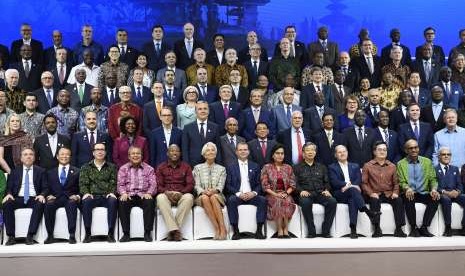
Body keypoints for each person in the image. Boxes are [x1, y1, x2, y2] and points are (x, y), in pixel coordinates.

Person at [328, 145, 380, 239]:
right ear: (336, 155)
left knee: (352, 200)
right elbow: (334, 181)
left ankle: (353, 229)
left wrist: (350, 186)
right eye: (339, 152)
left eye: (344, 151)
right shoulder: (332, 167)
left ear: (347, 153)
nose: (342, 153)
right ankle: (368, 212)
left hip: (353, 193)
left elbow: (358, 179)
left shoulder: (355, 166)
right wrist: (349, 186)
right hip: (340, 193)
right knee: (353, 190)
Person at [2, 148, 47, 245]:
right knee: (7, 204)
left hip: (34, 198)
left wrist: (42, 195)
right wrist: (9, 194)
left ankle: (30, 235)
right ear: (21, 158)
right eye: (25, 154)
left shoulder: (41, 171)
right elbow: (9, 186)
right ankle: (11, 236)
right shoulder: (14, 171)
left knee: (40, 204)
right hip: (18, 198)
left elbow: (45, 187)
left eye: (31, 154)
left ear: (34, 158)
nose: (28, 156)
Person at [362, 141, 407, 238]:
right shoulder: (367, 166)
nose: (382, 152)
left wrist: (395, 192)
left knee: (399, 200)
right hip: (375, 193)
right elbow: (364, 183)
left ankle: (399, 229)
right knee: (374, 201)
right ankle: (377, 228)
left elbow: (396, 183)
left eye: (384, 150)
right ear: (374, 152)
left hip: (389, 193)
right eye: (380, 149)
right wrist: (370, 193)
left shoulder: (392, 166)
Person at [397, 139, 439, 237]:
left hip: (423, 192)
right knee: (409, 197)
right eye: (410, 148)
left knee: (436, 198)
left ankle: (424, 227)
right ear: (406, 150)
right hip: (409, 192)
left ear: (418, 148)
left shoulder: (427, 162)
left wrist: (433, 189)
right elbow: (401, 181)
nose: (414, 150)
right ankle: (413, 228)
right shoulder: (401, 164)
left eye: (416, 147)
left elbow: (433, 179)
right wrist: (407, 188)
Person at [294, 142, 336, 238]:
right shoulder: (296, 167)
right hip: (306, 193)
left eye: (312, 150)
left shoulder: (322, 167)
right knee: (305, 203)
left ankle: (326, 231)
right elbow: (294, 183)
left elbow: (327, 182)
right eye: (307, 150)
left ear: (315, 153)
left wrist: (327, 189)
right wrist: (300, 191)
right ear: (303, 153)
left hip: (320, 192)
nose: (310, 152)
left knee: (332, 201)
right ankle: (311, 231)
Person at [225, 142, 266, 240]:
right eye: (240, 150)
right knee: (231, 200)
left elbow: (259, 184)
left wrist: (253, 193)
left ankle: (259, 230)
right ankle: (236, 231)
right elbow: (228, 185)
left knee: (262, 200)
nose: (243, 152)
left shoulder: (255, 166)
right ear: (236, 152)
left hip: (252, 195)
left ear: (248, 151)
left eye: (245, 150)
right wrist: (239, 194)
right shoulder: (230, 167)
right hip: (238, 195)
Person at [80, 142, 118, 243]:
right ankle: (88, 233)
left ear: (105, 152)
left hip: (106, 196)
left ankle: (110, 233)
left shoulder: (112, 167)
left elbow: (114, 182)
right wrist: (86, 193)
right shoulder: (85, 167)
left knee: (113, 200)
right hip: (92, 196)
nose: (100, 152)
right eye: (97, 149)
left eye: (102, 149)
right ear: (93, 153)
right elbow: (83, 184)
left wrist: (112, 192)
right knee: (86, 201)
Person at [117, 146, 156, 242]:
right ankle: (126, 234)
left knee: (150, 201)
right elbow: (120, 184)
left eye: (138, 153)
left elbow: (153, 184)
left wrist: (149, 193)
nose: (135, 155)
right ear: (129, 156)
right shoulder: (123, 169)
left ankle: (147, 233)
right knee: (122, 202)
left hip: (143, 195)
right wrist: (123, 193)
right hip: (129, 195)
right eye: (133, 154)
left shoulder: (149, 169)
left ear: (142, 156)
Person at [156, 144, 194, 241]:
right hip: (166, 195)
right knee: (160, 198)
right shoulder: (161, 167)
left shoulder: (186, 167)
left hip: (181, 194)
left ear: (180, 153)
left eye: (177, 151)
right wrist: (167, 193)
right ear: (167, 153)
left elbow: (190, 184)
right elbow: (158, 185)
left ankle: (172, 230)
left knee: (189, 197)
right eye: (172, 151)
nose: (174, 153)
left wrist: (181, 193)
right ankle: (175, 230)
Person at [43, 147, 80, 244]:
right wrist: (49, 195)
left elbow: (82, 188)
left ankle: (71, 235)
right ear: (57, 156)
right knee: (49, 205)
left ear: (70, 157)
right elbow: (46, 187)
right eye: (62, 154)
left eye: (67, 154)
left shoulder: (77, 171)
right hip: (55, 198)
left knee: (72, 204)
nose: (64, 156)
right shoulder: (50, 172)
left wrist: (77, 196)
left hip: (70, 198)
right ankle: (50, 235)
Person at [261, 144, 296, 238]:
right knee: (278, 200)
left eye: (282, 153)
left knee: (287, 200)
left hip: (285, 193)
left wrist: (286, 193)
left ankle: (286, 229)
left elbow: (293, 185)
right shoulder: (267, 167)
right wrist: (276, 194)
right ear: (273, 155)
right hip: (272, 193)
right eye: (277, 153)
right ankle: (280, 229)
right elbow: (265, 185)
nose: (280, 155)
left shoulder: (288, 167)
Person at [193, 142, 227, 240]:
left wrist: (213, 191)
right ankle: (217, 228)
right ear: (204, 154)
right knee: (204, 197)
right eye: (208, 150)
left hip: (217, 196)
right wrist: (204, 191)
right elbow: (196, 185)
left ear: (216, 153)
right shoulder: (197, 168)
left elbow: (221, 185)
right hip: (202, 196)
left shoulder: (222, 169)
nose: (210, 152)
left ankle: (222, 228)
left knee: (213, 197)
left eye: (213, 150)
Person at [436, 147, 465, 236]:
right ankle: (448, 227)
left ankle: (464, 227)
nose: (446, 156)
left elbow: (459, 184)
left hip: (454, 193)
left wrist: (458, 192)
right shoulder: (434, 169)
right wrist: (445, 192)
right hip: (442, 194)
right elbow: (434, 185)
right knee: (446, 200)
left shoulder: (455, 169)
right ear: (439, 157)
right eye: (443, 154)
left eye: (448, 154)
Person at [182, 101, 221, 166]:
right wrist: (187, 167)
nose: (203, 111)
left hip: (211, 165)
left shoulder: (215, 127)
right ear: (195, 112)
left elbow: (218, 149)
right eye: (200, 109)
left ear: (208, 111)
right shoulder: (187, 128)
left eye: (205, 109)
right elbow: (185, 150)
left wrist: (218, 164)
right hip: (193, 166)